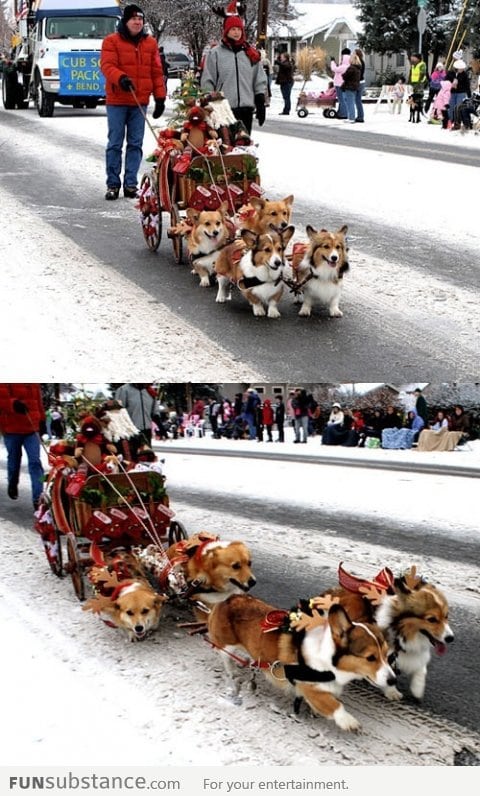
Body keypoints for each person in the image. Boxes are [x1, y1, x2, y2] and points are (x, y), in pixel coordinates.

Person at [100, 4, 166, 200]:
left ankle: (130, 183)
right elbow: (107, 65)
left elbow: (156, 71)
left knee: (135, 144)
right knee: (115, 143)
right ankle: (113, 184)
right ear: (126, 21)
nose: (137, 22)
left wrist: (160, 96)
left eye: (140, 19)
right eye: (133, 19)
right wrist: (120, 77)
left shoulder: (150, 43)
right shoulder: (111, 41)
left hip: (140, 100)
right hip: (118, 100)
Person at [200, 6, 267, 136]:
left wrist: (260, 102)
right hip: (223, 109)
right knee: (227, 148)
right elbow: (208, 80)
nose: (237, 32)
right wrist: (208, 103)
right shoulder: (215, 53)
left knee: (244, 147)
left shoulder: (250, 53)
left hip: (246, 108)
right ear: (226, 31)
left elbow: (259, 79)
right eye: (233, 29)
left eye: (239, 29)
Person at [0, 384, 45, 509]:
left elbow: (38, 401)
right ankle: (12, 482)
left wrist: (42, 420)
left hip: (32, 428)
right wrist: (12, 403)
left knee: (35, 462)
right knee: (14, 460)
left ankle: (38, 498)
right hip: (11, 427)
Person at [114, 383, 160, 458]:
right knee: (132, 461)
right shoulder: (123, 390)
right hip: (130, 433)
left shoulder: (150, 391)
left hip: (146, 432)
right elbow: (118, 413)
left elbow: (155, 412)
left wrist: (161, 428)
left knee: (147, 459)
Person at [446, 58, 471, 128]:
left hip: (461, 92)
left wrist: (469, 95)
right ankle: (450, 121)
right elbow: (445, 82)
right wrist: (452, 82)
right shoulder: (450, 73)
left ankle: (457, 123)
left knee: (458, 107)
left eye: (463, 68)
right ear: (456, 68)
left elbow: (467, 85)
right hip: (452, 92)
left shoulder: (464, 75)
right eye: (461, 68)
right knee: (451, 107)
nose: (462, 69)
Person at [330, 48, 351, 120]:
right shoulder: (348, 66)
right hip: (344, 84)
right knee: (343, 99)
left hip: (339, 84)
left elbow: (334, 69)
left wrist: (332, 61)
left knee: (341, 99)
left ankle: (343, 114)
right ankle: (341, 112)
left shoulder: (343, 67)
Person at [342, 52, 362, 123]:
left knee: (349, 102)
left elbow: (345, 76)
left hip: (349, 86)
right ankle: (351, 116)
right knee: (351, 102)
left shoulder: (351, 68)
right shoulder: (358, 69)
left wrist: (343, 74)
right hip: (355, 86)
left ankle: (351, 117)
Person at [275, 51, 295, 116]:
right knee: (285, 97)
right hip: (284, 82)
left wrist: (277, 61)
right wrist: (278, 57)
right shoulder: (284, 63)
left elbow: (284, 66)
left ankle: (286, 110)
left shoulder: (288, 64)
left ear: (285, 58)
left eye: (282, 57)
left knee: (287, 97)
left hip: (287, 82)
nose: (281, 58)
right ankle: (286, 109)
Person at [354, 47, 365, 122]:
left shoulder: (358, 62)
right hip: (362, 82)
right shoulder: (362, 62)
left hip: (358, 82)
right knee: (358, 100)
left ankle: (360, 116)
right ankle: (360, 115)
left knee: (357, 100)